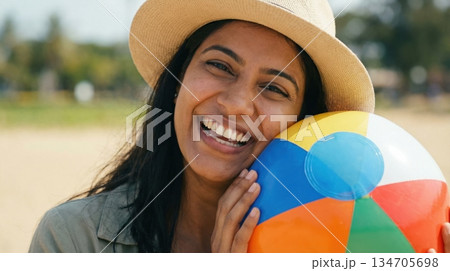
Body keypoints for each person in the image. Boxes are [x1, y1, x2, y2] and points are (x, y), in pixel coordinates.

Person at [29, 0, 450, 253]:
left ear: (306, 122)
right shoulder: (73, 238)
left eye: (273, 87)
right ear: (176, 82)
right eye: (218, 65)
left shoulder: (340, 247)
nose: (235, 103)